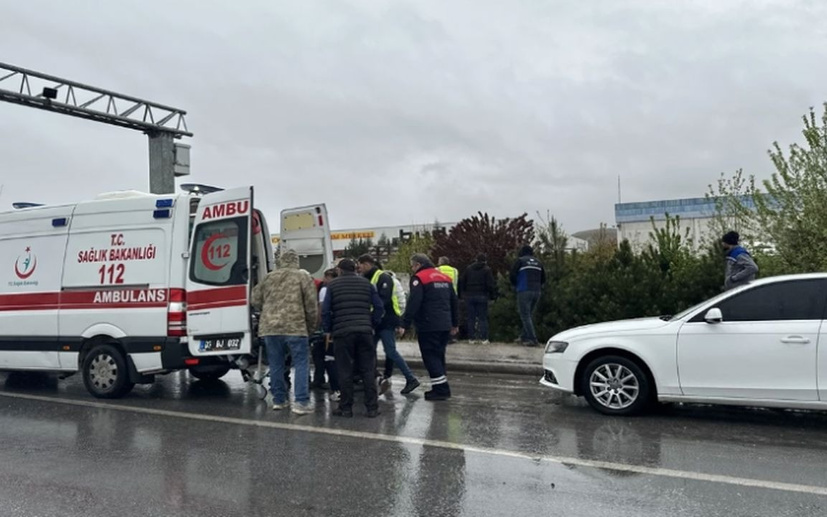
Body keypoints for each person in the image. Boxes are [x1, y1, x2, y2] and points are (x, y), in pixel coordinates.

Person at [251, 249, 318, 415]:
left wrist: (267, 310)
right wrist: (311, 327)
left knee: (276, 364)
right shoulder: (302, 276)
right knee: (301, 363)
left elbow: (254, 299)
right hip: (295, 327)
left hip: (270, 328)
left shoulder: (268, 277)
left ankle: (279, 400)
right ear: (296, 261)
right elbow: (311, 305)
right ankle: (301, 402)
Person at [322, 258, 385, 418]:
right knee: (367, 370)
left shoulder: (333, 285)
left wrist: (328, 329)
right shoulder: (367, 284)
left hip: (342, 332)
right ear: (355, 269)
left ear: (340, 270)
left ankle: (346, 408)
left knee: (345, 370)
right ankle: (371, 408)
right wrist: (371, 323)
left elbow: (326, 311)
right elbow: (379, 307)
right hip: (364, 332)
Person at [397, 254, 459, 401]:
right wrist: (455, 323)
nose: (412, 269)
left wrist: (404, 323)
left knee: (430, 356)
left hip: (428, 324)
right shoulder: (444, 277)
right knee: (439, 356)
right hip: (445, 323)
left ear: (418, 264)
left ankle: (442, 390)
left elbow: (414, 302)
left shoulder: (420, 278)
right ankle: (438, 386)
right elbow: (454, 302)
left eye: (412, 266)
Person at [357, 255, 421, 395]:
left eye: (360, 265)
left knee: (390, 351)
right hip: (376, 322)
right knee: (369, 351)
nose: (359, 268)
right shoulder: (367, 278)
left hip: (385, 321)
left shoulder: (383, 278)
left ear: (367, 264)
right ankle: (372, 378)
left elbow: (383, 301)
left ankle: (410, 379)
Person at [312, 268, 340, 401]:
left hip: (326, 329)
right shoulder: (338, 288)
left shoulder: (325, 290)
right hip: (338, 327)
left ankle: (321, 380)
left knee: (321, 354)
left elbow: (321, 309)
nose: (324, 279)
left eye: (326, 277)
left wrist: (317, 326)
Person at [510, 245, 545, 347]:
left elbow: (512, 275)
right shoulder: (538, 262)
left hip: (524, 289)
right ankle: (523, 337)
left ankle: (532, 339)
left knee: (525, 315)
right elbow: (544, 278)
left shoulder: (520, 261)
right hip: (537, 291)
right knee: (529, 314)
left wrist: (515, 285)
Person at [458, 253, 497, 344]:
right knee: (482, 318)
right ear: (485, 261)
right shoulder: (487, 270)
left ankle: (471, 338)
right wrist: (492, 296)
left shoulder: (468, 269)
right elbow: (490, 284)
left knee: (471, 317)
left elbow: (462, 281)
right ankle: (484, 339)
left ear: (476, 259)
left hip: (470, 295)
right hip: (482, 295)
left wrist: (463, 294)